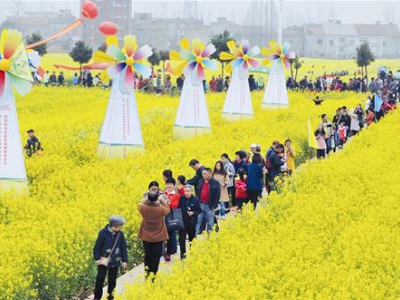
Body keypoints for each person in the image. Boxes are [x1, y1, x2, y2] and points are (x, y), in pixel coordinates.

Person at [93, 215, 128, 300]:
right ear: (113, 225)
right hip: (103, 260)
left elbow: (124, 248)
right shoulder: (103, 233)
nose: (120, 228)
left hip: (115, 261)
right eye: (118, 226)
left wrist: (124, 260)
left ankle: (110, 296)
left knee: (112, 281)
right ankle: (97, 297)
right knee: (100, 279)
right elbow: (97, 247)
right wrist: (97, 258)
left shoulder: (120, 234)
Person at [138, 191, 170, 279]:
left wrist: (146, 199)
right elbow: (168, 209)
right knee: (156, 256)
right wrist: (162, 201)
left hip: (146, 236)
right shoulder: (161, 210)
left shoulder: (143, 208)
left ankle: (147, 273)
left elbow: (140, 204)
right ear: (157, 199)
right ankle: (153, 274)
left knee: (147, 255)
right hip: (158, 237)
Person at [195, 168, 221, 234]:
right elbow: (197, 191)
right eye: (202, 174)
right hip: (200, 204)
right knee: (198, 221)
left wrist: (214, 206)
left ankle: (210, 238)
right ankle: (195, 238)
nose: (203, 175)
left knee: (210, 223)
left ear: (210, 173)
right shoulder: (201, 181)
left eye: (205, 174)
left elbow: (218, 195)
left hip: (209, 206)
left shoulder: (215, 183)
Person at [163, 178, 182, 262]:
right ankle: (162, 252)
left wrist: (168, 201)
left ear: (174, 185)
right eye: (167, 184)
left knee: (170, 236)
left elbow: (175, 205)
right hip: (162, 216)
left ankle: (168, 254)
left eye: (171, 184)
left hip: (171, 217)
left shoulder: (176, 195)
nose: (169, 185)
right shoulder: (163, 193)